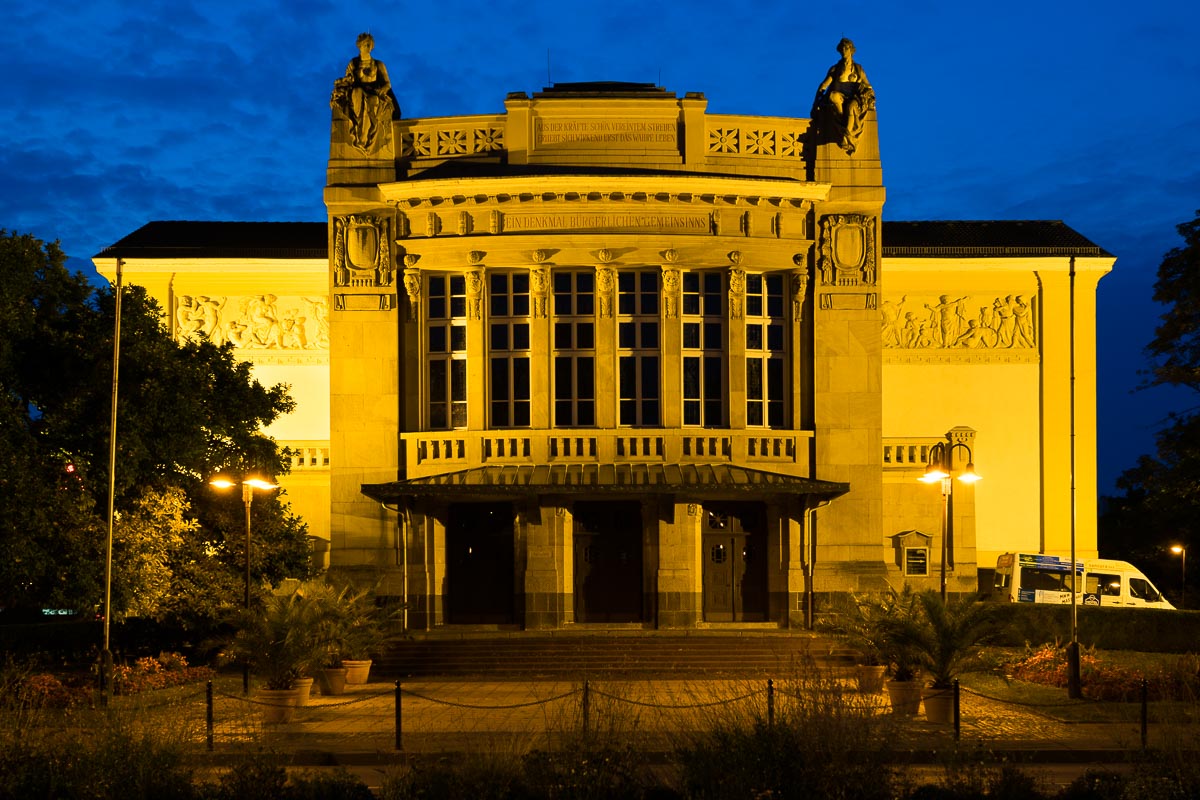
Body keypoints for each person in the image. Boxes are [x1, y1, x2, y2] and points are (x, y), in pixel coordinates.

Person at [331, 33, 398, 152]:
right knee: (357, 92)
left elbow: (387, 83)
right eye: (364, 44)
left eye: (369, 44)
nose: (367, 46)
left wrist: (382, 90)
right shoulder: (353, 63)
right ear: (359, 46)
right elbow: (349, 80)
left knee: (373, 101)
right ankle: (358, 133)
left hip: (373, 92)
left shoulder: (378, 64)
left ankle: (366, 137)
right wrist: (342, 81)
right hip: (357, 92)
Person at [811, 37, 876, 155]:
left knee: (851, 107)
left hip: (854, 98)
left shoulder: (858, 69)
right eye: (842, 49)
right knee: (832, 96)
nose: (844, 51)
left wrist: (870, 95)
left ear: (851, 50)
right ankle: (844, 126)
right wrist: (815, 103)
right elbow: (824, 85)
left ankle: (846, 133)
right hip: (840, 97)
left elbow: (868, 86)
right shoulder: (835, 69)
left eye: (846, 48)